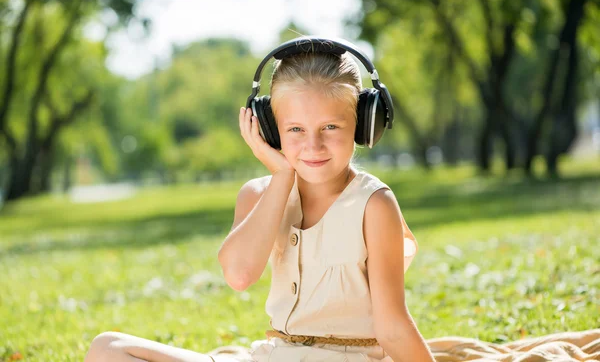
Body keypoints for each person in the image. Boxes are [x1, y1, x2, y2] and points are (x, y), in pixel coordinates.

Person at [83, 36, 430, 362]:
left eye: (331, 127)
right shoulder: (259, 194)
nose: (313, 145)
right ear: (268, 129)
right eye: (295, 129)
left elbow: (393, 328)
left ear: (364, 124)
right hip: (273, 354)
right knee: (108, 348)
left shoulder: (374, 204)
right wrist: (282, 178)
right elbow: (239, 274)